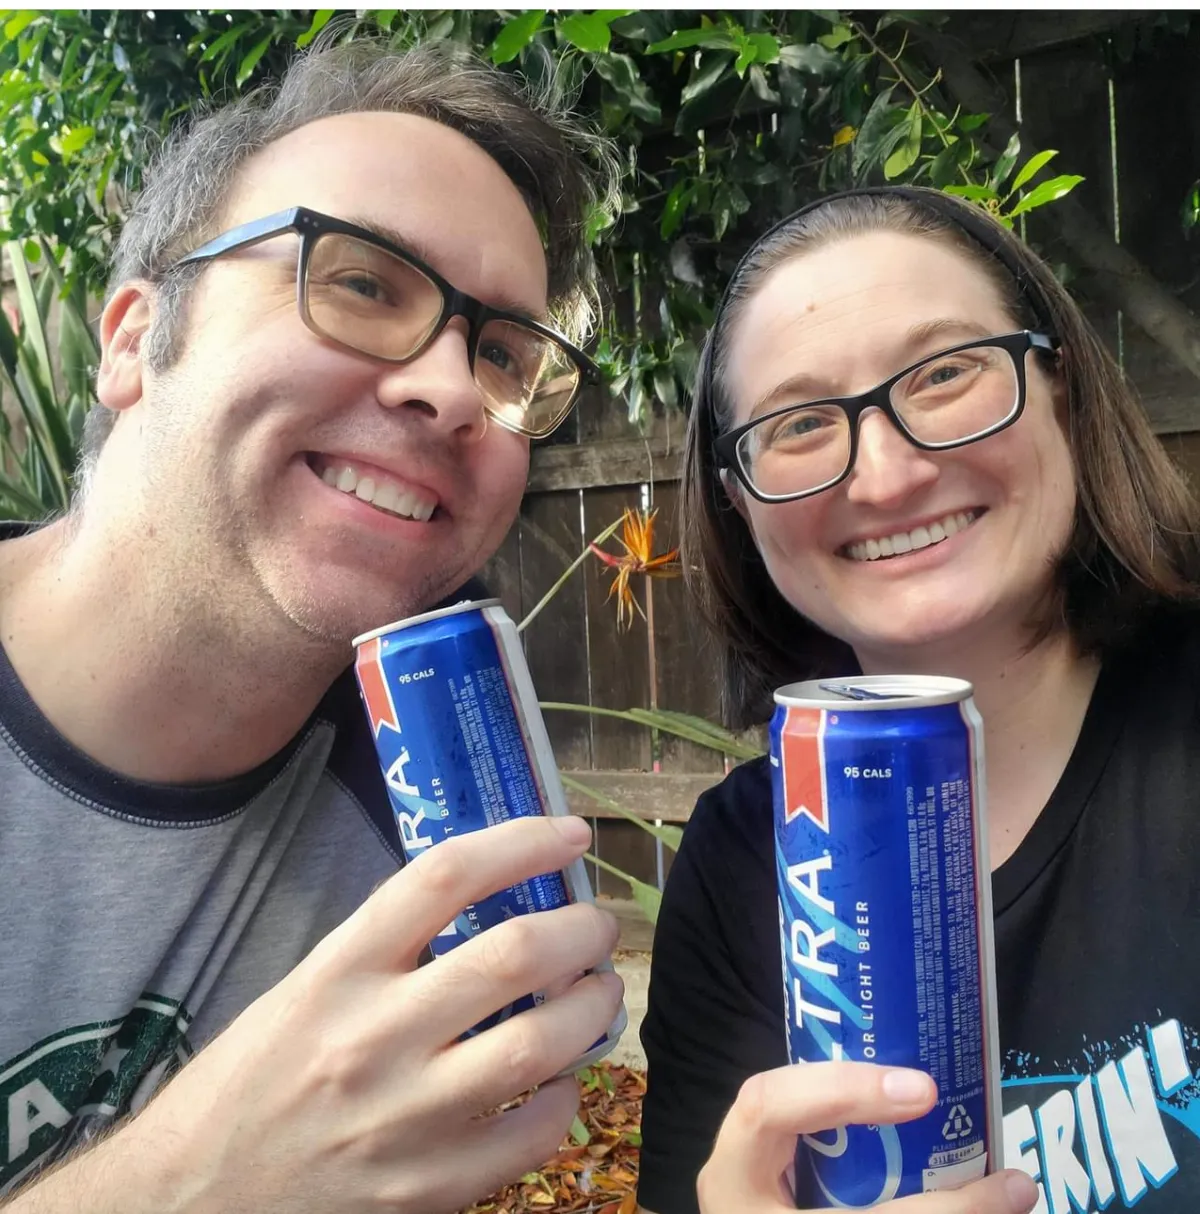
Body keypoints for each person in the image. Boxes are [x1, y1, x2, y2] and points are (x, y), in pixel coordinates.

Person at [0, 37, 628, 1212]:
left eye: (502, 353)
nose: (450, 388)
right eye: (361, 283)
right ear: (135, 339)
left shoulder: (436, 816)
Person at [637, 184, 1200, 1214]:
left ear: (1058, 386)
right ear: (738, 496)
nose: (888, 475)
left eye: (945, 374)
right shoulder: (731, 868)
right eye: (801, 423)